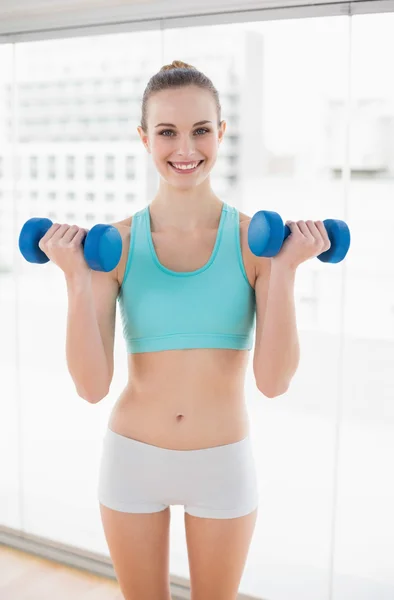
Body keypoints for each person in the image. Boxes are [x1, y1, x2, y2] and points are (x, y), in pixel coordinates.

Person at [38, 60, 331, 600]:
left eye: (200, 130)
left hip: (222, 462)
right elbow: (91, 387)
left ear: (220, 133)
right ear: (144, 137)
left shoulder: (256, 243)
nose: (184, 148)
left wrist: (286, 270)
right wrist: (77, 280)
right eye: (167, 132)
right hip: (133, 457)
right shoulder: (116, 245)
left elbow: (273, 381)